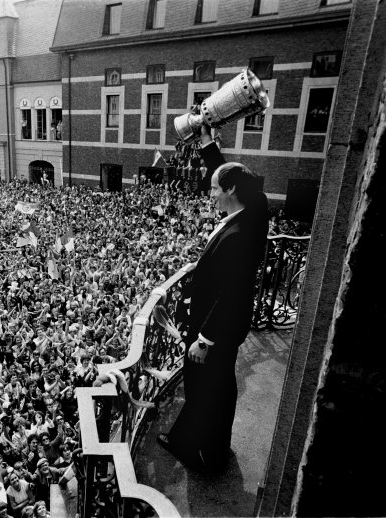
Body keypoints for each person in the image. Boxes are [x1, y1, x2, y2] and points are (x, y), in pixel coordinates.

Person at [157, 122, 268, 472]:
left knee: (203, 389)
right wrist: (207, 145)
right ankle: (211, 446)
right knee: (218, 389)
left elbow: (231, 292)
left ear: (232, 190)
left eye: (216, 189)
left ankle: (199, 453)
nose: (210, 194)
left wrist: (205, 338)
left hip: (213, 329)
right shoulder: (253, 213)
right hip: (222, 328)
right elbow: (228, 176)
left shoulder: (238, 233)